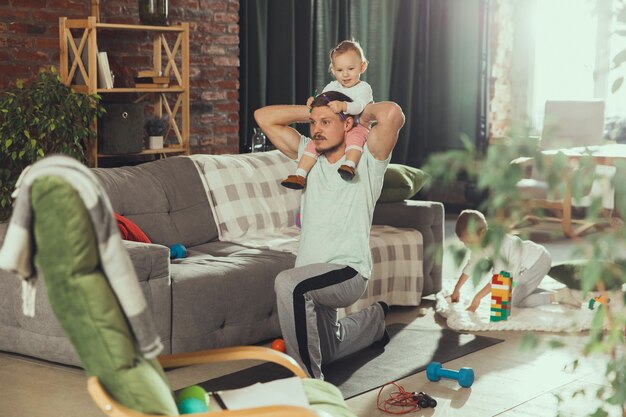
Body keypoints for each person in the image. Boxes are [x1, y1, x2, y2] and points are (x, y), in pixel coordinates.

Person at [254, 92, 405, 379]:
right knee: (329, 348)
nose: (316, 130)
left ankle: (311, 385)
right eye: (313, 123)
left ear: (347, 124)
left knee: (288, 283)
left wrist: (355, 110)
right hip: (311, 274)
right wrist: (312, 109)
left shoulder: (367, 157)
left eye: (325, 122)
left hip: (348, 271)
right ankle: (374, 321)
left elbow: (392, 115)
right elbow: (263, 117)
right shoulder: (306, 154)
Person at [281, 39, 373, 190]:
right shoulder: (332, 86)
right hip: (335, 129)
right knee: (312, 145)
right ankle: (300, 174)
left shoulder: (363, 88)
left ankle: (349, 165)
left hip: (356, 126)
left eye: (350, 68)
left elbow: (359, 106)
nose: (345, 74)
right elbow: (322, 102)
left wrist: (343, 106)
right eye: (339, 70)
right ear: (333, 69)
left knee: (355, 138)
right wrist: (314, 102)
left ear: (362, 67)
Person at [451, 209, 582, 312]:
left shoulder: (499, 245)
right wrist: (457, 289)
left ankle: (558, 297)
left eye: (470, 242)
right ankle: (560, 293)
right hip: (522, 268)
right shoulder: (478, 245)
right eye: (465, 243)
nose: (468, 246)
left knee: (515, 301)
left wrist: (478, 297)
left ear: (482, 232)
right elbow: (471, 265)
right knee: (513, 294)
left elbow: (499, 278)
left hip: (536, 261)